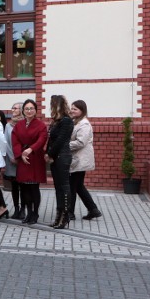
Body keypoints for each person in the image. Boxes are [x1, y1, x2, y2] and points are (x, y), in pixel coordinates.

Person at [12, 99, 48, 225]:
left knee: (34, 187)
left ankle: (35, 213)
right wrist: (20, 154)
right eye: (26, 109)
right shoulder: (19, 125)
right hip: (23, 158)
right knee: (24, 188)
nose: (29, 111)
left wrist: (30, 149)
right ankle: (28, 212)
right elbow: (15, 140)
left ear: (36, 110)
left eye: (31, 108)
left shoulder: (41, 125)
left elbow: (42, 140)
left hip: (35, 158)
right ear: (23, 111)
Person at [69, 100, 103, 220]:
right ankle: (93, 209)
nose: (72, 110)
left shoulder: (84, 124)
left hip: (80, 160)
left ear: (82, 111)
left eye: (75, 109)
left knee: (73, 186)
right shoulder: (76, 122)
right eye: (71, 108)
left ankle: (70, 213)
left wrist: (65, 145)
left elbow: (80, 142)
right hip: (77, 159)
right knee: (78, 186)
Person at [46, 95, 73, 229]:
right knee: (58, 188)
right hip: (55, 157)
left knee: (64, 186)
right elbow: (51, 140)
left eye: (52, 104)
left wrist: (50, 154)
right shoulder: (56, 121)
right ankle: (59, 215)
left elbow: (61, 140)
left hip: (62, 156)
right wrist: (47, 153)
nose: (50, 107)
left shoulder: (66, 121)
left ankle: (66, 215)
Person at [4, 102, 24, 219]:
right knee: (14, 186)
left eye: (15, 108)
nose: (13, 110)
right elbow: (6, 142)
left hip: (23, 158)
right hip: (11, 159)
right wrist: (12, 156)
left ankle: (23, 209)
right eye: (12, 108)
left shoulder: (25, 123)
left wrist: (20, 156)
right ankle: (16, 208)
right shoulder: (8, 125)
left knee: (24, 186)